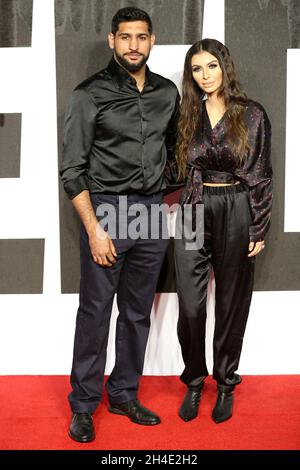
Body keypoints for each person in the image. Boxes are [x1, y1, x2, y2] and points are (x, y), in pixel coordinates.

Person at [60, 7, 180, 442]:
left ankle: (125, 393)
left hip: (151, 213)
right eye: (125, 37)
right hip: (107, 212)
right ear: (112, 40)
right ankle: (83, 406)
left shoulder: (168, 93)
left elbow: (173, 153)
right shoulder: (88, 94)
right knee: (94, 314)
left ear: (152, 41)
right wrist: (94, 227)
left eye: (142, 37)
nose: (134, 45)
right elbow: (72, 168)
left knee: (135, 314)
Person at [174, 38, 273, 424]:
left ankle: (226, 382)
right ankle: (195, 380)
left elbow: (262, 175)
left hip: (235, 208)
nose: (205, 75)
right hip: (193, 209)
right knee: (190, 303)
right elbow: (175, 170)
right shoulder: (187, 114)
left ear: (224, 66)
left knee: (232, 303)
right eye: (197, 68)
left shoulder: (251, 114)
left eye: (211, 66)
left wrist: (258, 225)